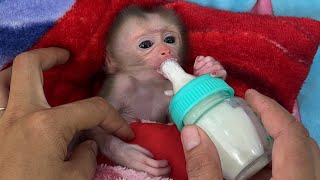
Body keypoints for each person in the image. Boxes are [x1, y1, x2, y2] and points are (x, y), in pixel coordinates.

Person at [0, 47, 319, 179]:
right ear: (111, 60)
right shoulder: (117, 85)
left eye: (170, 40)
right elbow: (94, 130)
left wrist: (212, 75)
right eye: (145, 44)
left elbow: (206, 102)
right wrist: (114, 146)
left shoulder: (172, 86)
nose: (165, 51)